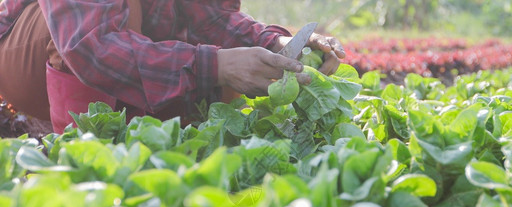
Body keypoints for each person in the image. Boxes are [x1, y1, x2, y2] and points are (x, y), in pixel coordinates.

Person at [0, 0, 345, 133]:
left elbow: (210, 16)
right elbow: (91, 44)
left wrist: (276, 44)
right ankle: (80, 150)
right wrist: (216, 65)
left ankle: (151, 136)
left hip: (117, 49)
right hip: (33, 56)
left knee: (223, 58)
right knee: (213, 63)